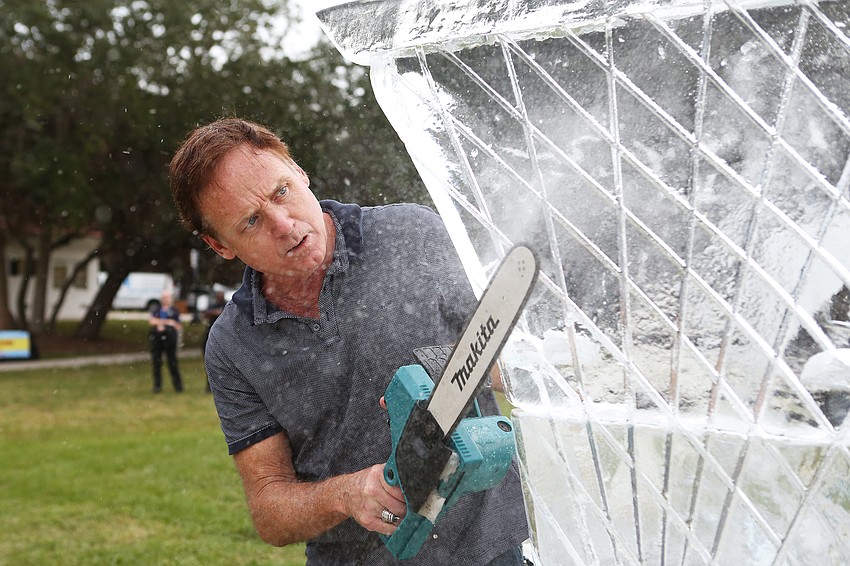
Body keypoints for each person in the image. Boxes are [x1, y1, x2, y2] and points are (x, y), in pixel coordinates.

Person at [168, 118, 529, 565]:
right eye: (251, 220)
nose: (284, 225)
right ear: (220, 245)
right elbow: (270, 511)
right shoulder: (233, 345)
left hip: (488, 550)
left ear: (299, 171)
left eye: (281, 191)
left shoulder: (412, 235)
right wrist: (347, 494)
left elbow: (501, 362)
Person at [148, 289, 184, 393]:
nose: (165, 300)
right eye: (164, 298)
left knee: (172, 362)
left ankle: (178, 386)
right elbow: (151, 321)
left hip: (170, 340)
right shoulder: (157, 309)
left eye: (167, 297)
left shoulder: (174, 311)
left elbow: (177, 325)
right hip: (157, 340)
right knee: (156, 363)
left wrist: (164, 324)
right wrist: (167, 322)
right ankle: (157, 386)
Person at [200, 290, 227, 392]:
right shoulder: (212, 305)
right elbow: (205, 314)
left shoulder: (227, 305)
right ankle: (209, 385)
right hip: (210, 334)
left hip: (223, 336)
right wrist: (214, 313)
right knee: (209, 361)